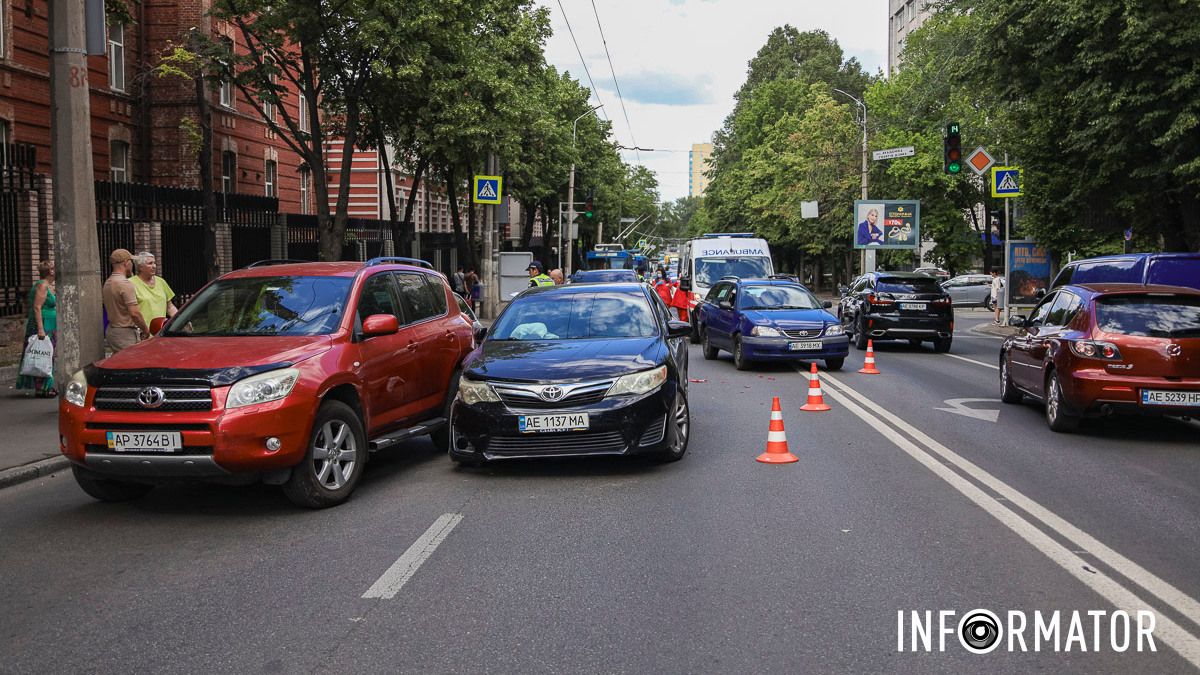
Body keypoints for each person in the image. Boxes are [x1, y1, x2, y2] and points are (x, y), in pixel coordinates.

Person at [16, 261, 57, 397]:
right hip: (44, 325)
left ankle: (46, 386)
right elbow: (37, 307)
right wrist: (40, 329)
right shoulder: (42, 285)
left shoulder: (46, 285)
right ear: (51, 271)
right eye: (55, 268)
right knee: (42, 355)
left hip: (49, 324)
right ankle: (42, 388)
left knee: (45, 354)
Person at [102, 248, 149, 352]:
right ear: (126, 263)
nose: (132, 265)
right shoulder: (125, 284)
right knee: (133, 365)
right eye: (131, 261)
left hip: (112, 330)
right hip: (125, 333)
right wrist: (145, 330)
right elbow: (135, 313)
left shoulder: (108, 282)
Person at [131, 251, 178, 331]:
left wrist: (180, 320)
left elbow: (169, 306)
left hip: (160, 332)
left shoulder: (161, 281)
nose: (154, 266)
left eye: (154, 263)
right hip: (142, 333)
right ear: (140, 267)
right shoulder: (131, 283)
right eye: (150, 263)